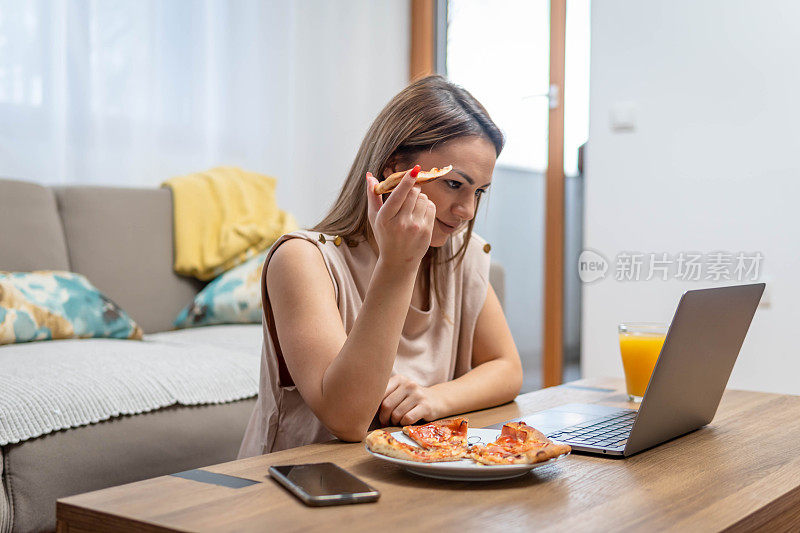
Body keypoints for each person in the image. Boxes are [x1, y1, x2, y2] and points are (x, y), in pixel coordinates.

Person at [238, 75, 522, 456]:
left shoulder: (460, 256)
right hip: (304, 484)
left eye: (479, 192)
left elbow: (507, 368)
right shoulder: (302, 259)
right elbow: (348, 418)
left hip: (411, 477)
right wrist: (399, 263)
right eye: (455, 184)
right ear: (393, 170)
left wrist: (434, 400)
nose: (467, 211)